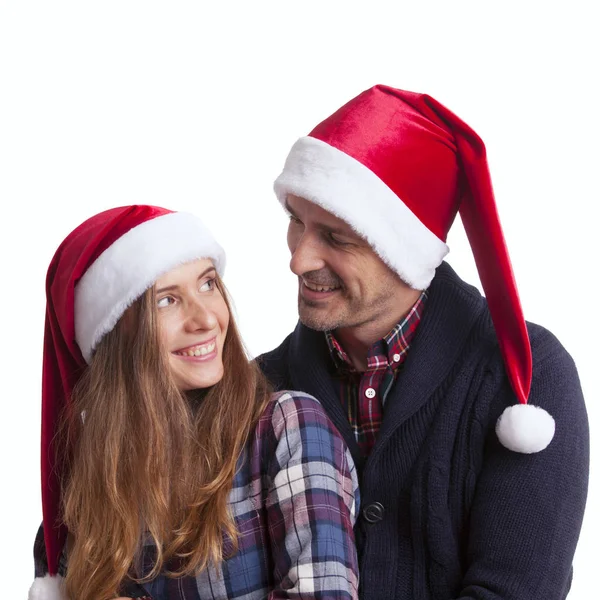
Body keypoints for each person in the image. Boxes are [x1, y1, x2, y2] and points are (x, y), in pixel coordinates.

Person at [258, 85, 589, 600]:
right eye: (296, 222)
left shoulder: (527, 378)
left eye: (337, 238)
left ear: (405, 249)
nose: (298, 260)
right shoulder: (257, 389)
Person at [29, 205, 359, 600]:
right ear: (115, 336)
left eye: (207, 284)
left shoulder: (285, 427)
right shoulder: (87, 481)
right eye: (166, 301)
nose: (205, 318)